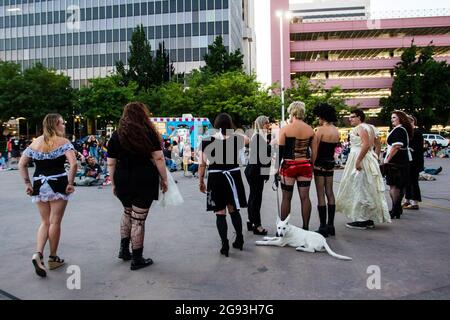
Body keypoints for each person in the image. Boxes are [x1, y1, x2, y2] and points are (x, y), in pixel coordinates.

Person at [107, 102, 168, 270]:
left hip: (122, 178)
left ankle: (124, 250)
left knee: (127, 212)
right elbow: (159, 158)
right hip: (144, 178)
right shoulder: (148, 133)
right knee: (138, 220)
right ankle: (137, 258)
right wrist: (165, 179)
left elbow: (111, 163)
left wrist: (113, 183)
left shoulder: (116, 135)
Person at [18, 114, 77, 277]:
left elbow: (21, 164)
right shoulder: (63, 142)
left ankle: (38, 253)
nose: (64, 126)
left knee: (45, 222)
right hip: (58, 183)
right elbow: (74, 164)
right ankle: (53, 257)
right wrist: (70, 183)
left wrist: (27, 184)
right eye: (63, 123)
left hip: (39, 184)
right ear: (56, 125)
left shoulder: (35, 142)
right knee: (55, 221)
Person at [198, 113, 249, 257]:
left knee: (220, 212)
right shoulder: (237, 139)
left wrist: (201, 181)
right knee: (234, 210)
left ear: (216, 125)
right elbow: (248, 139)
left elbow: (202, 164)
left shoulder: (207, 141)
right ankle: (239, 238)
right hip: (233, 176)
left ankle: (224, 244)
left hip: (215, 178)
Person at [336, 109, 390, 229]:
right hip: (368, 158)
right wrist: (375, 156)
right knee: (368, 187)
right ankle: (368, 218)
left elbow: (365, 144)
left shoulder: (360, 128)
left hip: (360, 157)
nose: (350, 119)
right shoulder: (371, 127)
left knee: (359, 187)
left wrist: (359, 160)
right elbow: (378, 144)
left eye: (352, 117)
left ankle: (361, 219)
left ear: (359, 117)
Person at [278, 101, 315, 230]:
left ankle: (284, 228)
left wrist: (277, 169)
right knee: (305, 198)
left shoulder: (285, 129)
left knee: (286, 198)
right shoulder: (310, 129)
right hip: (305, 165)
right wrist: (312, 167)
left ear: (292, 112)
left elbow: (280, 152)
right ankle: (305, 228)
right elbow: (313, 152)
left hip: (289, 166)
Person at [311, 103, 340, 237]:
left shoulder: (320, 130)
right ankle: (331, 225)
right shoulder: (336, 130)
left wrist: (312, 164)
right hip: (330, 163)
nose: (317, 119)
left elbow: (315, 151)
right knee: (330, 192)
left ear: (322, 116)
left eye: (318, 116)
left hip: (320, 164)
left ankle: (323, 226)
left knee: (320, 194)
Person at [383, 110, 413, 219]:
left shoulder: (399, 130)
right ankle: (397, 209)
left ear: (400, 118)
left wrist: (387, 159)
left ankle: (395, 209)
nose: (392, 120)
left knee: (394, 186)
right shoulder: (402, 130)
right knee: (399, 186)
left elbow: (396, 146)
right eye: (392, 118)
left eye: (394, 117)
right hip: (402, 161)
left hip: (396, 161)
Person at [244, 115, 271, 235]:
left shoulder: (258, 136)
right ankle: (257, 225)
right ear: (261, 124)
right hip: (256, 171)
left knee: (253, 196)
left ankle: (251, 221)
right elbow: (262, 158)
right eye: (266, 123)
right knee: (256, 198)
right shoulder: (259, 137)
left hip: (253, 170)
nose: (268, 125)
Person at [402, 115, 424, 210]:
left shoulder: (417, 132)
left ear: (413, 122)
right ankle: (407, 200)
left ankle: (415, 202)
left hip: (415, 161)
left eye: (408, 122)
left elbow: (417, 148)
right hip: (408, 160)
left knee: (413, 181)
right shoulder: (407, 132)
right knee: (407, 181)